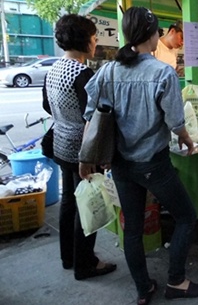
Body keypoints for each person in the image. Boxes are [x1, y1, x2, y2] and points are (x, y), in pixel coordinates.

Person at [80, 7, 198, 304]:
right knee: (186, 217)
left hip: (120, 164)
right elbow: (176, 123)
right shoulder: (161, 72)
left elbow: (90, 116)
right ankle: (176, 281)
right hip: (153, 163)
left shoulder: (108, 70)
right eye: (158, 31)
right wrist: (189, 143)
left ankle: (143, 289)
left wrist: (84, 157)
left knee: (133, 228)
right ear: (152, 34)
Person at [42, 14, 117, 281]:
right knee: (88, 203)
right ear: (84, 40)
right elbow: (94, 118)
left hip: (60, 143)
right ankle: (86, 264)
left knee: (69, 203)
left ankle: (69, 257)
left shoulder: (54, 68)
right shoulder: (83, 73)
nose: (95, 42)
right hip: (81, 147)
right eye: (94, 37)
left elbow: (46, 106)